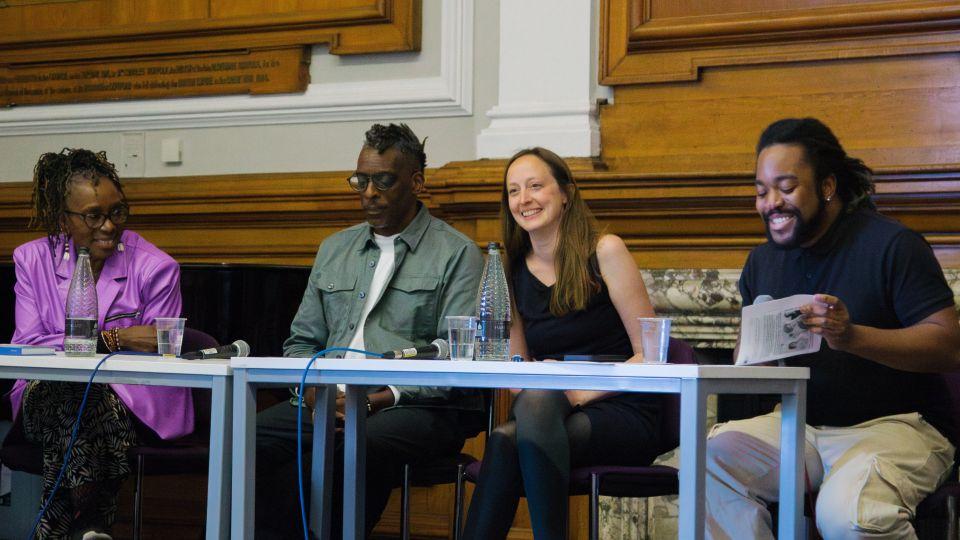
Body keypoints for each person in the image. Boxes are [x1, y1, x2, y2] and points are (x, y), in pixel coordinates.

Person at [705, 118, 960, 539]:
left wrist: (851, 336)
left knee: (848, 513)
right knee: (707, 461)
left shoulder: (892, 246)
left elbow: (949, 346)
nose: (772, 203)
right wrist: (756, 358)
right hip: (801, 427)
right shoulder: (763, 262)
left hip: (899, 426)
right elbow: (747, 364)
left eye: (786, 188)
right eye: (761, 191)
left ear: (826, 187)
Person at [255, 123, 486, 539]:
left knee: (358, 446)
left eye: (383, 181)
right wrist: (311, 392)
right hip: (326, 400)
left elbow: (455, 355)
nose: (368, 193)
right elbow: (301, 343)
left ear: (416, 182)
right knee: (244, 439)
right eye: (361, 180)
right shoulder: (334, 248)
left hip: (415, 407)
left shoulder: (457, 254)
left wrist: (378, 399)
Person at [462, 147, 663, 539]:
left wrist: (575, 393)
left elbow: (652, 353)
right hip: (549, 405)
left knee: (508, 438)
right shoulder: (510, 271)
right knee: (515, 426)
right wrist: (553, 388)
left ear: (566, 192)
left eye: (536, 186)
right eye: (514, 190)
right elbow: (517, 371)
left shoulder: (605, 250)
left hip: (620, 404)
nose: (525, 199)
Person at [4, 148, 189, 539]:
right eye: (93, 216)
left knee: (81, 400)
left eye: (117, 212)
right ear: (62, 220)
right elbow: (30, 343)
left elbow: (164, 349)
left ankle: (67, 530)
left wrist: (84, 348)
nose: (109, 226)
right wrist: (114, 339)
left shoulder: (155, 267)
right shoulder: (32, 260)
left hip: (132, 405)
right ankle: (89, 525)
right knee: (72, 395)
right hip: (43, 396)